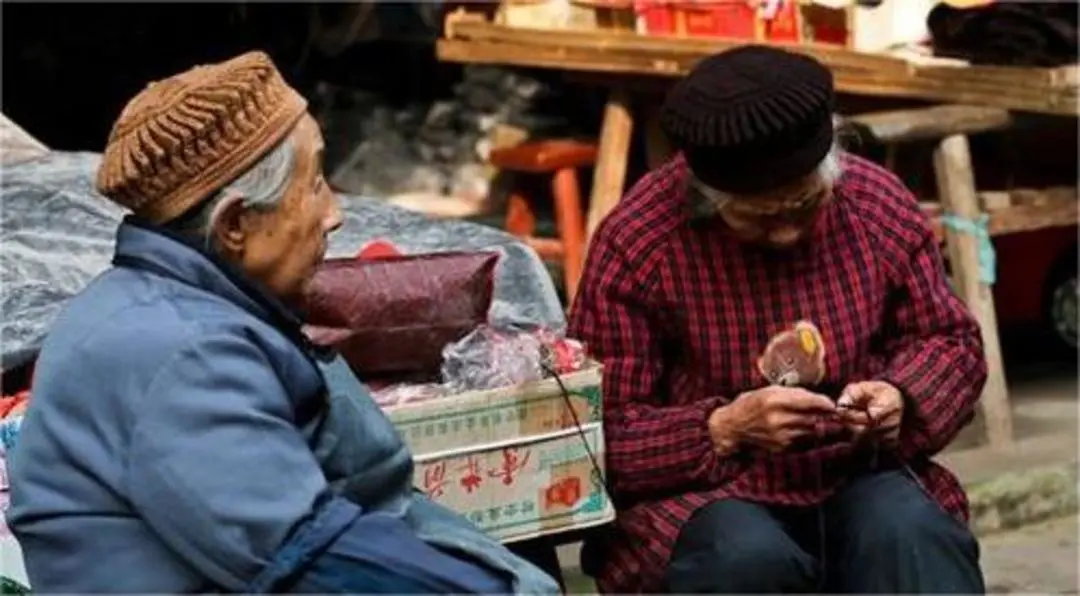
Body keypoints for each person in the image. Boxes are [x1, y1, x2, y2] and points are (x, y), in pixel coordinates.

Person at [7, 51, 559, 594]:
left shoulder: (191, 310)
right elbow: (309, 554)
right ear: (236, 224)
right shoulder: (179, 352)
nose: (334, 214)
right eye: (316, 182)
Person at [569, 45, 988, 594]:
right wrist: (722, 428)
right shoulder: (639, 243)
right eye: (759, 218)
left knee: (907, 536)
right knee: (743, 561)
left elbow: (950, 341)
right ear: (705, 197)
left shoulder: (874, 204)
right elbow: (594, 431)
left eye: (803, 206)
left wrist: (899, 396)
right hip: (710, 496)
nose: (787, 233)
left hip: (854, 471)